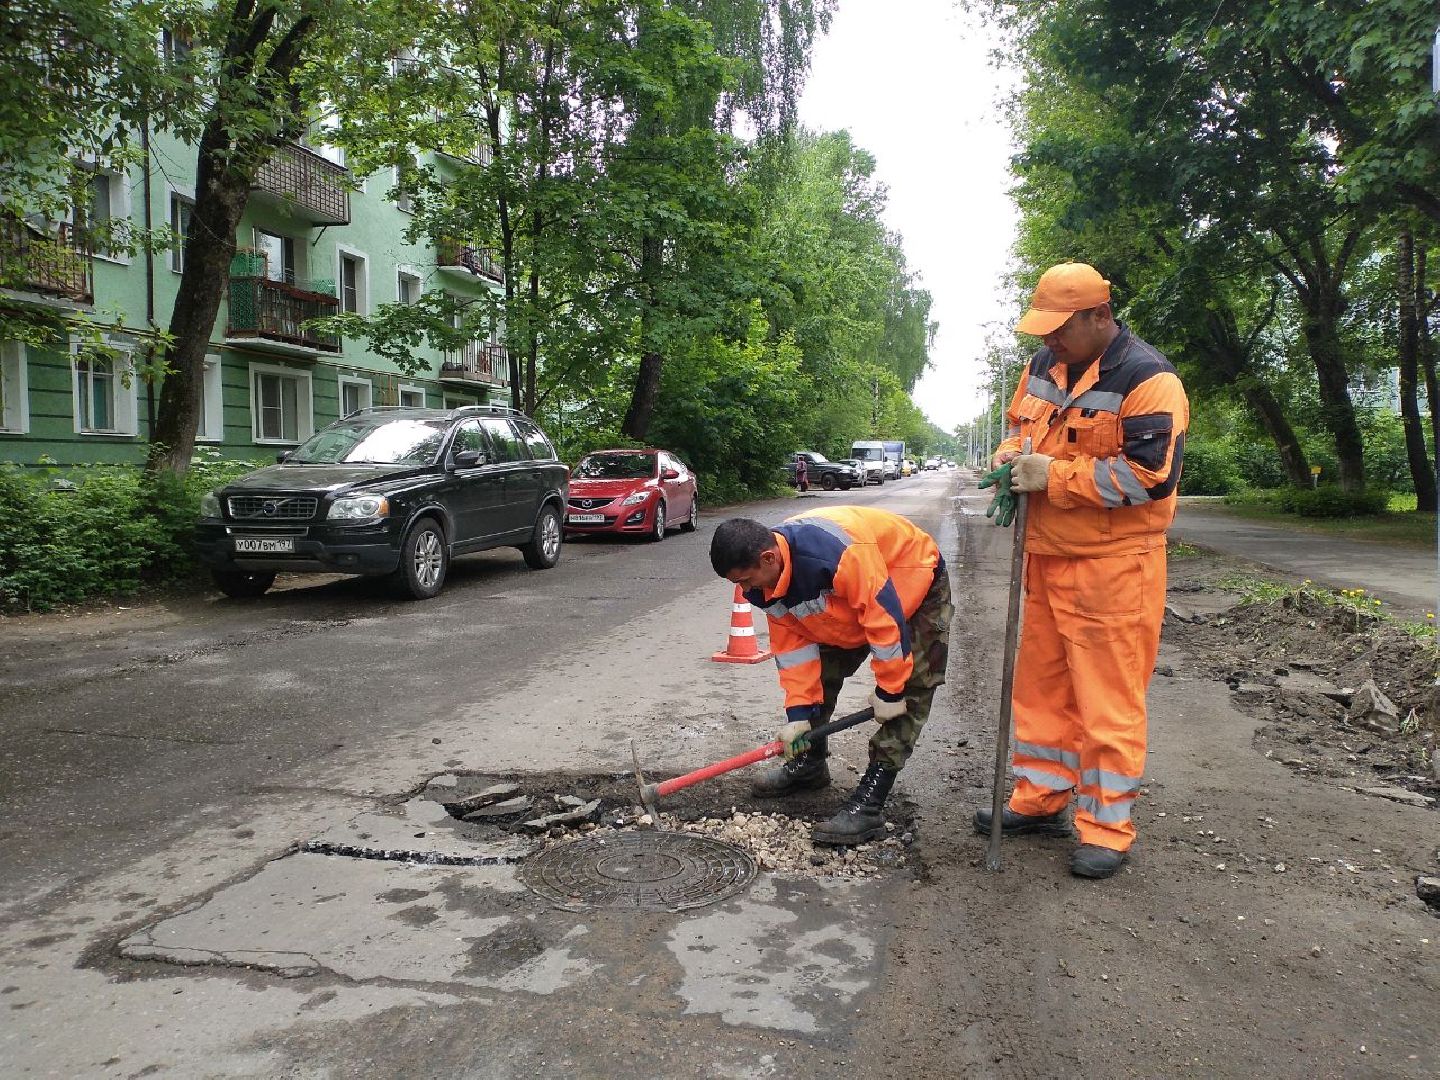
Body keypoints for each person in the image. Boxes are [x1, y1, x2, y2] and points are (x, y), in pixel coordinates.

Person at [975, 262, 1189, 879]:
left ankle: (1106, 828)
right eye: (1043, 329)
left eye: (1060, 327)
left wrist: (1053, 477)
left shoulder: (1149, 380)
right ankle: (1041, 798)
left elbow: (1150, 478)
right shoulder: (1044, 366)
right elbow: (1018, 431)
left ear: (1100, 315)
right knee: (1041, 691)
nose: (1049, 339)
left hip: (1113, 569)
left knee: (1106, 703)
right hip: (1045, 559)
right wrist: (1011, 460)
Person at [709, 507, 952, 844]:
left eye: (745, 580)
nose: (745, 589)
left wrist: (890, 691)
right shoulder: (765, 585)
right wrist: (799, 714)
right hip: (851, 605)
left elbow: (883, 620)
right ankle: (810, 765)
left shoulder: (837, 554)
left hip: (909, 586)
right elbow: (793, 650)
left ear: (768, 558)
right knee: (820, 679)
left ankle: (870, 803)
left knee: (910, 692)